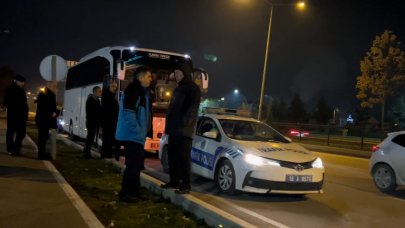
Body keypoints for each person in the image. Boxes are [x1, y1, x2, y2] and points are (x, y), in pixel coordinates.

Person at [162, 63, 201, 194]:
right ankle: (174, 181)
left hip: (184, 131)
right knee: (172, 156)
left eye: (179, 73)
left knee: (183, 158)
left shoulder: (193, 89)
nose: (176, 76)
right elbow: (172, 109)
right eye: (176, 73)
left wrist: (184, 123)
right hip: (173, 129)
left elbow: (192, 109)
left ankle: (185, 185)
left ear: (185, 74)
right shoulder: (178, 89)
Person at [115, 66, 153, 203]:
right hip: (132, 136)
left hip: (136, 136)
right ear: (141, 77)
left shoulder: (141, 91)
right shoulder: (134, 90)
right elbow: (129, 114)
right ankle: (126, 194)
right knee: (132, 166)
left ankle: (134, 193)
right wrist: (138, 131)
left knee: (135, 166)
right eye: (149, 76)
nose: (151, 79)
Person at [3, 75, 28, 156]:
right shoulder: (10, 89)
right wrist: (15, 106)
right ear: (17, 81)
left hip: (21, 116)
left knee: (21, 133)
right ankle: (11, 149)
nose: (23, 84)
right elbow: (5, 102)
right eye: (22, 82)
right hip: (13, 115)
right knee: (11, 132)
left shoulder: (21, 90)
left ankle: (16, 148)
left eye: (23, 82)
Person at [35, 82, 57, 160]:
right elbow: (42, 107)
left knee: (44, 137)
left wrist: (55, 112)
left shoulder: (49, 94)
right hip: (43, 120)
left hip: (45, 120)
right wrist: (51, 113)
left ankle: (42, 153)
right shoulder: (44, 94)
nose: (56, 88)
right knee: (42, 138)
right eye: (54, 86)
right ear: (49, 86)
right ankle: (41, 155)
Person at [100, 80, 119, 159]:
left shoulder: (110, 96)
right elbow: (107, 111)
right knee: (107, 139)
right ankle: (106, 154)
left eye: (116, 87)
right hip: (108, 123)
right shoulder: (107, 97)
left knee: (109, 139)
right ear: (109, 86)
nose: (115, 88)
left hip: (111, 122)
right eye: (113, 86)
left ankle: (107, 153)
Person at [83, 86, 102, 159]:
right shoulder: (90, 100)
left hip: (95, 122)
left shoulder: (97, 101)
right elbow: (92, 112)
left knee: (91, 137)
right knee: (90, 137)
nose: (100, 93)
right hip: (91, 122)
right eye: (99, 91)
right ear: (95, 92)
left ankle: (86, 151)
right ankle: (87, 154)